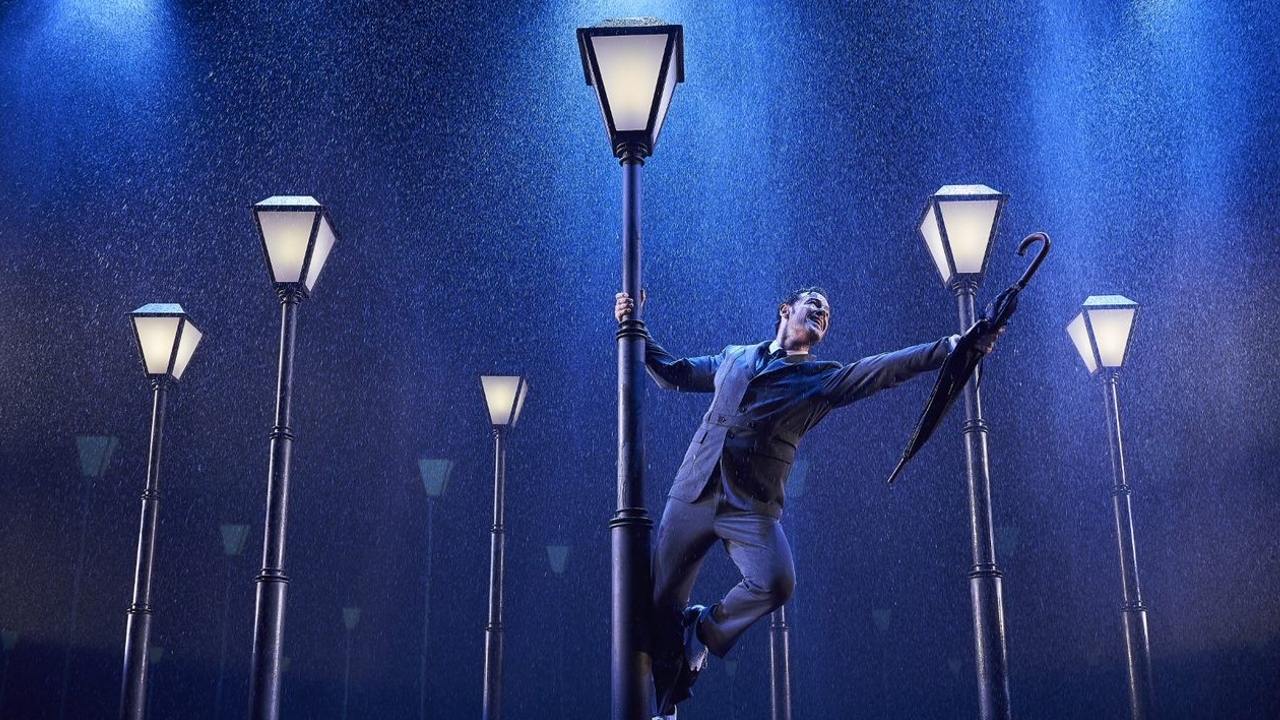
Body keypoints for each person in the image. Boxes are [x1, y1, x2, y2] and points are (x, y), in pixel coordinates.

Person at [613, 287, 1000, 719]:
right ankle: (666, 708)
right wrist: (634, 324)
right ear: (786, 310)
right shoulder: (735, 356)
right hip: (693, 489)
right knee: (661, 604)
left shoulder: (819, 379)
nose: (822, 312)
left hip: (750, 504)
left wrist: (952, 346)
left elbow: (880, 369)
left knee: (776, 580)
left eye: (828, 313)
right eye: (814, 303)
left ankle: (702, 630)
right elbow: (674, 374)